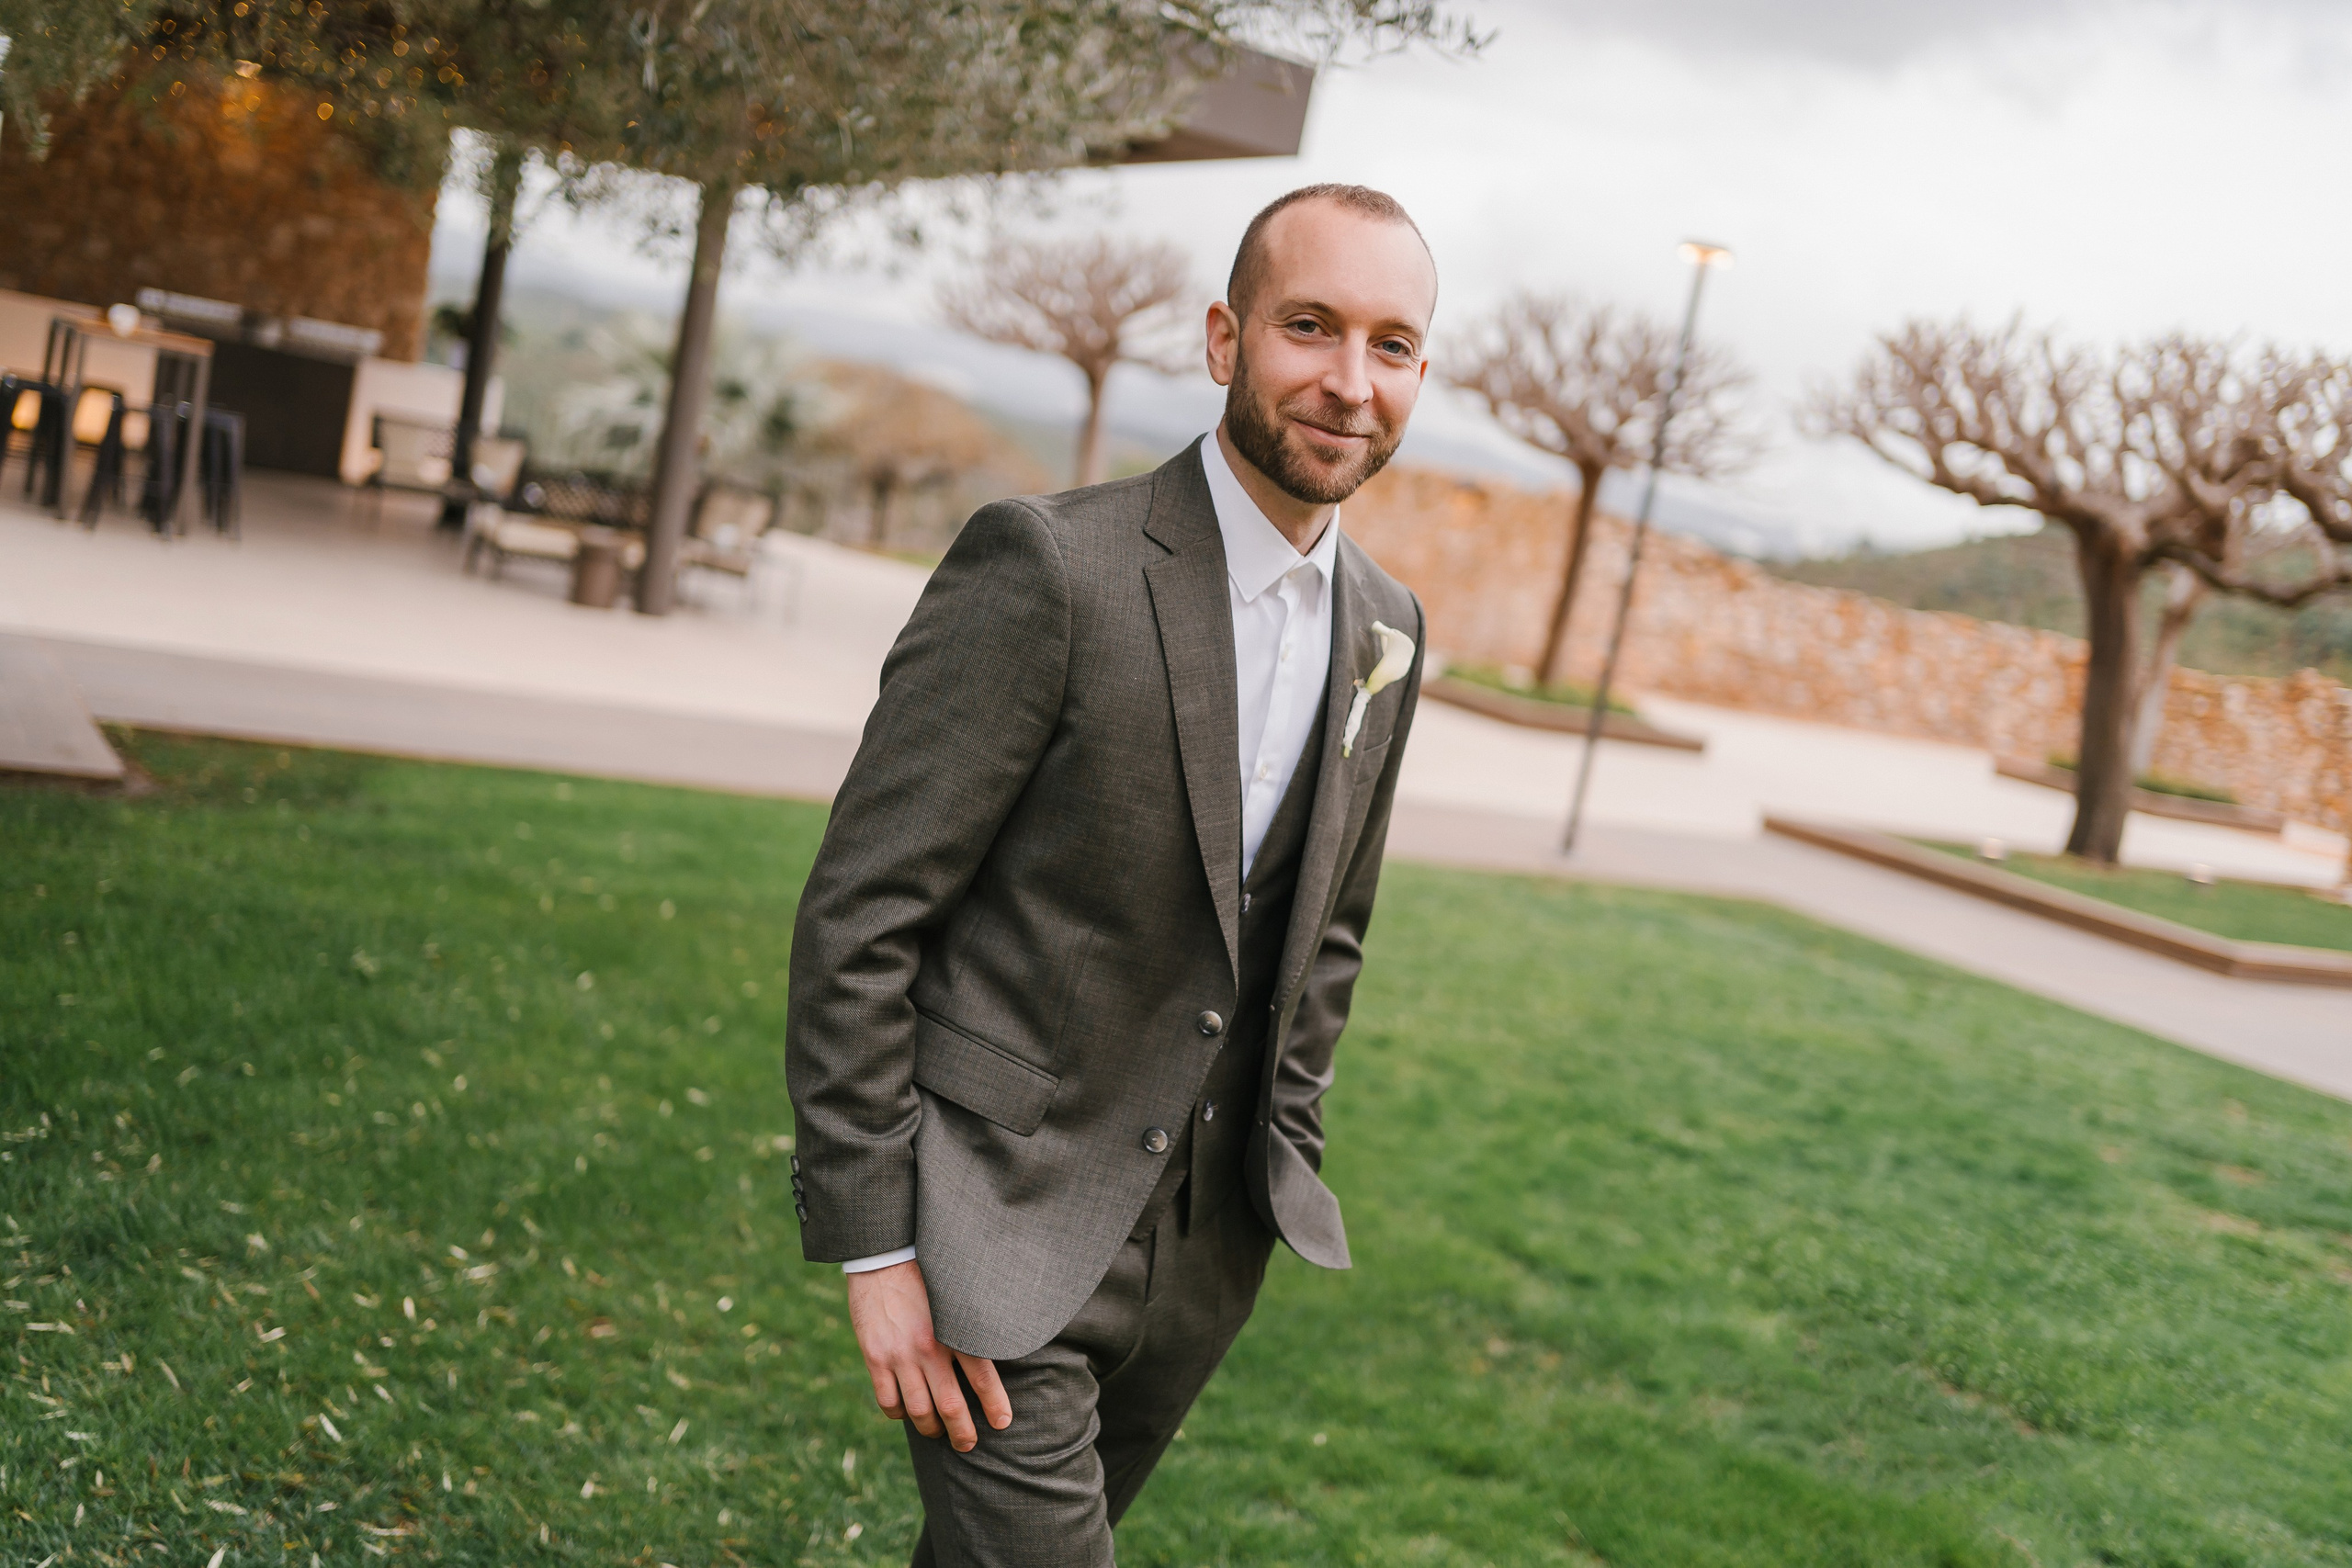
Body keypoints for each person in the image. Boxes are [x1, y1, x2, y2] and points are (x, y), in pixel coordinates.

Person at [786, 183, 1439, 1565]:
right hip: (991, 1222)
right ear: (1225, 339)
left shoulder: (1387, 628)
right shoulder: (1050, 570)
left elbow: (1330, 938)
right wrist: (874, 1245)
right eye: (1309, 327)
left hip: (1202, 1261)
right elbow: (865, 913)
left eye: (1391, 344)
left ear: (1419, 372)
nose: (1347, 380)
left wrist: (1282, 1151)